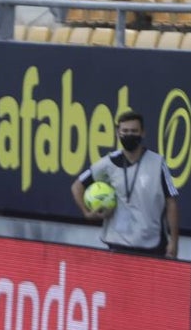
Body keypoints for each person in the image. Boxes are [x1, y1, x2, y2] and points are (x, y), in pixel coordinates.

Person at [71, 110, 180, 258]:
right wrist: (87, 213)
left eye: (134, 131)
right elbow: (77, 186)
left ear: (143, 133)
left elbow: (171, 202)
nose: (129, 135)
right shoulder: (108, 163)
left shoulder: (157, 162)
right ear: (118, 133)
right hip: (117, 242)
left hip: (151, 244)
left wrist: (174, 241)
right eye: (125, 131)